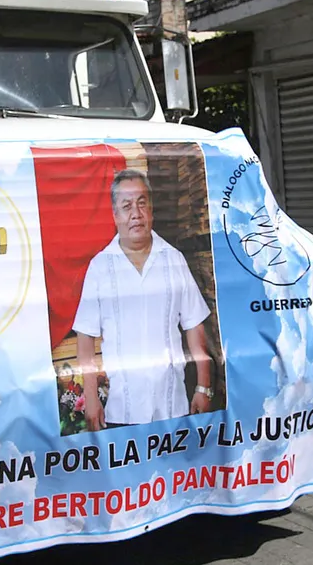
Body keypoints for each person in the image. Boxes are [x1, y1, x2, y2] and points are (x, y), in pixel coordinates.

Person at [72, 168, 214, 431]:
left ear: (151, 210)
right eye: (126, 206)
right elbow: (85, 338)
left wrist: (203, 387)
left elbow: (194, 325)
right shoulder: (100, 267)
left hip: (173, 407)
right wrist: (91, 397)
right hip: (122, 411)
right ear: (115, 215)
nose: (135, 214)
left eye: (141, 203)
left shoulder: (173, 260)